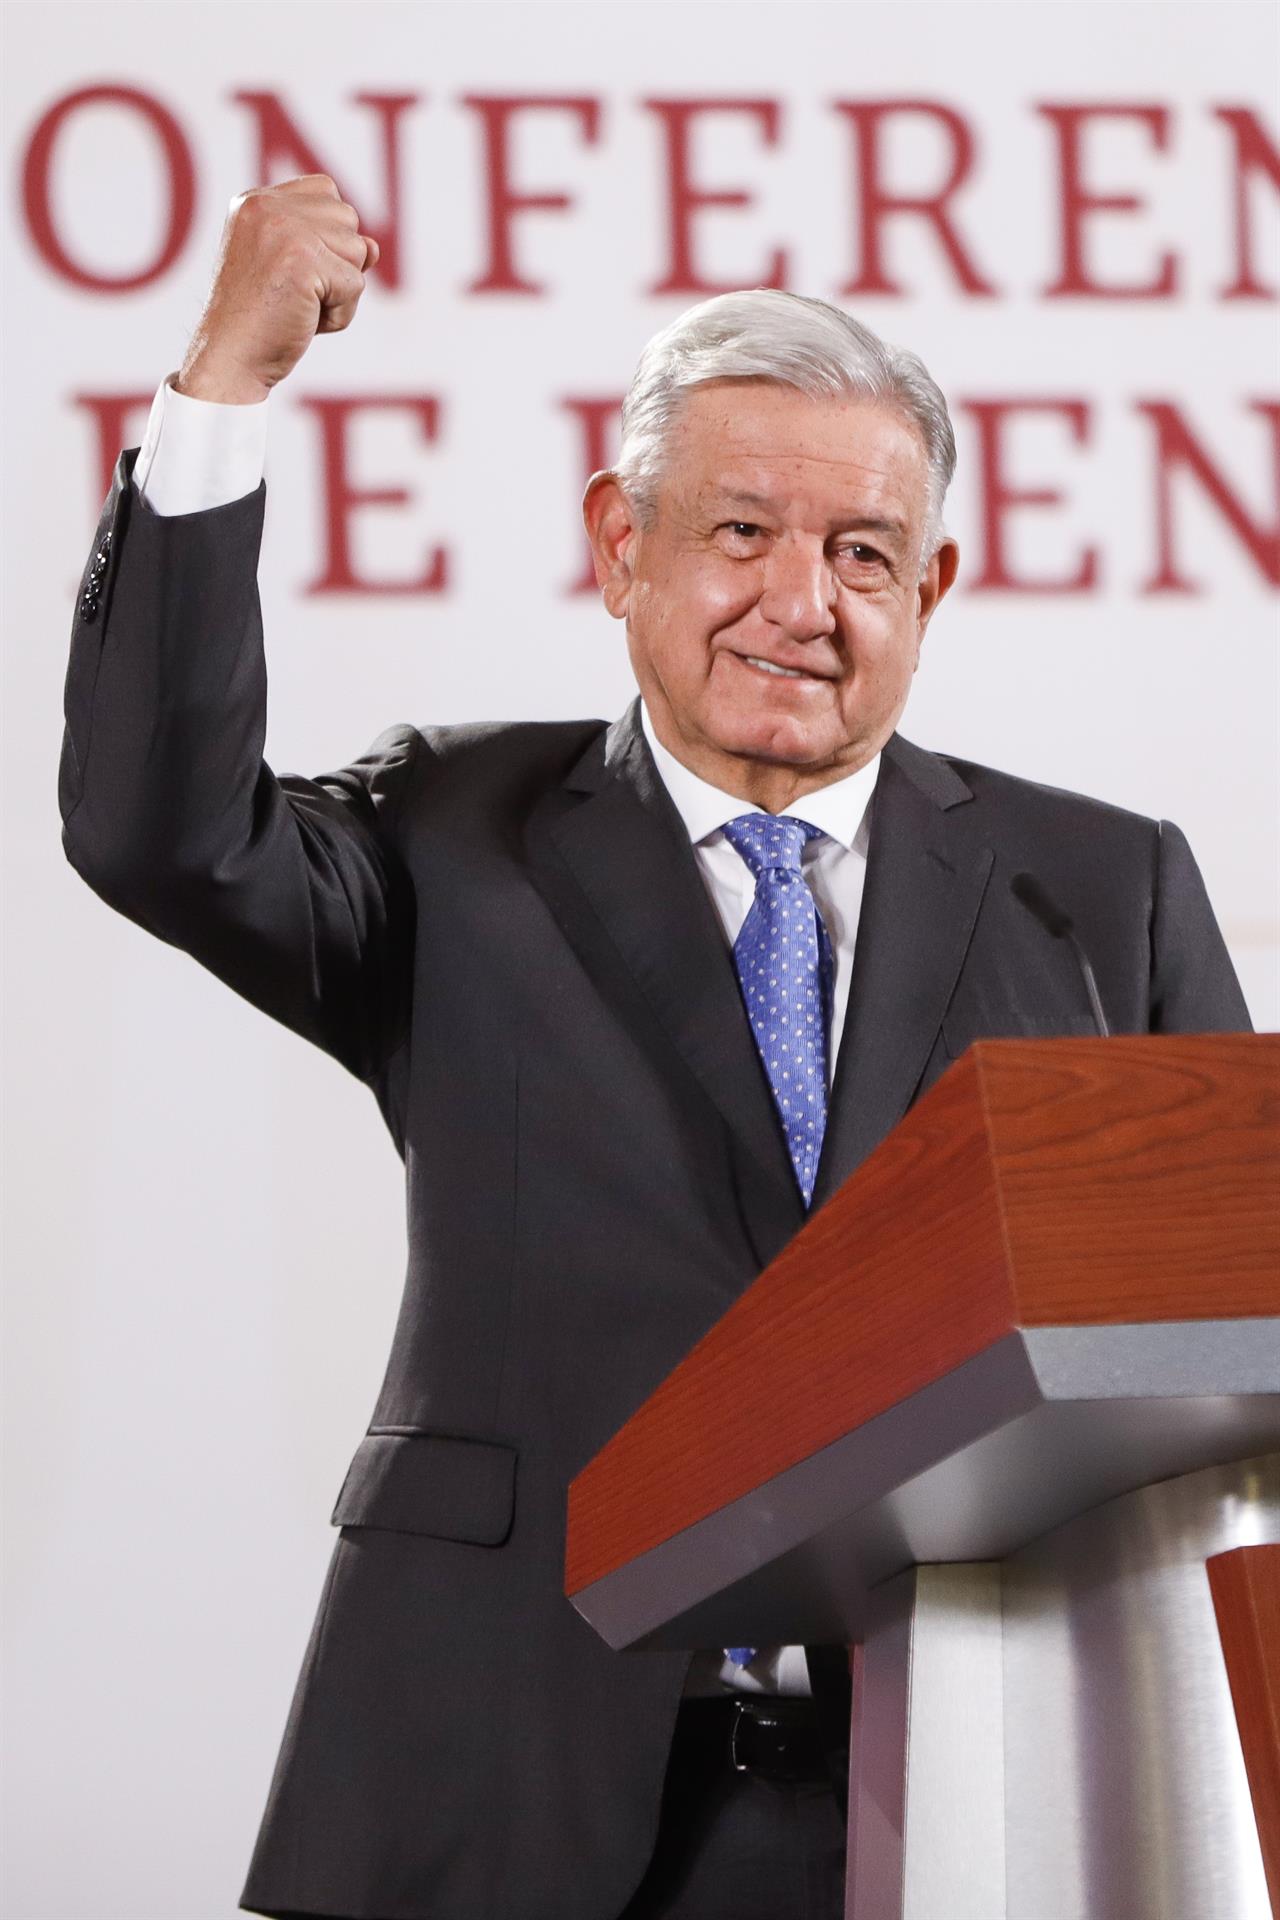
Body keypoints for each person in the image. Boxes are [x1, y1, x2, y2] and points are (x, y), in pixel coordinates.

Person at [60, 174, 1249, 1920]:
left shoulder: (1104, 885)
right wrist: (221, 392)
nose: (802, 602)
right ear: (623, 545)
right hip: (506, 1769)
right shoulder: (450, 831)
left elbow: (1224, 1326)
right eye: (742, 534)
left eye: (861, 556)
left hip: (979, 1793)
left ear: (934, 586)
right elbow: (157, 829)